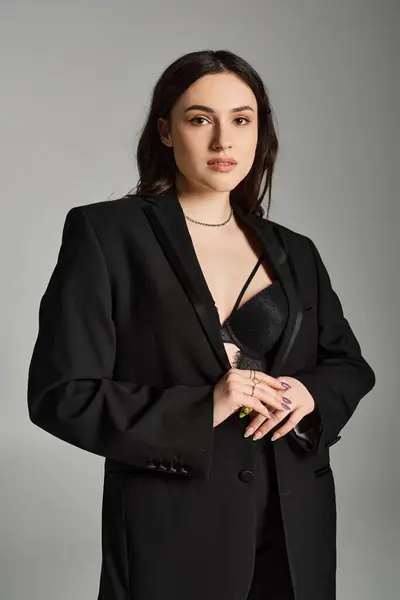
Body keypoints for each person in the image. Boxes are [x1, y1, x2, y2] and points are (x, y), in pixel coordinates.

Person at [27, 49, 376, 600]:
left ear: (260, 132)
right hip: (172, 530)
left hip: (295, 528)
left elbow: (350, 367)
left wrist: (310, 393)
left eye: (242, 120)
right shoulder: (107, 233)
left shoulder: (296, 251)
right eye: (199, 120)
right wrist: (203, 406)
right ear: (165, 131)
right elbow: (59, 395)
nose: (223, 142)